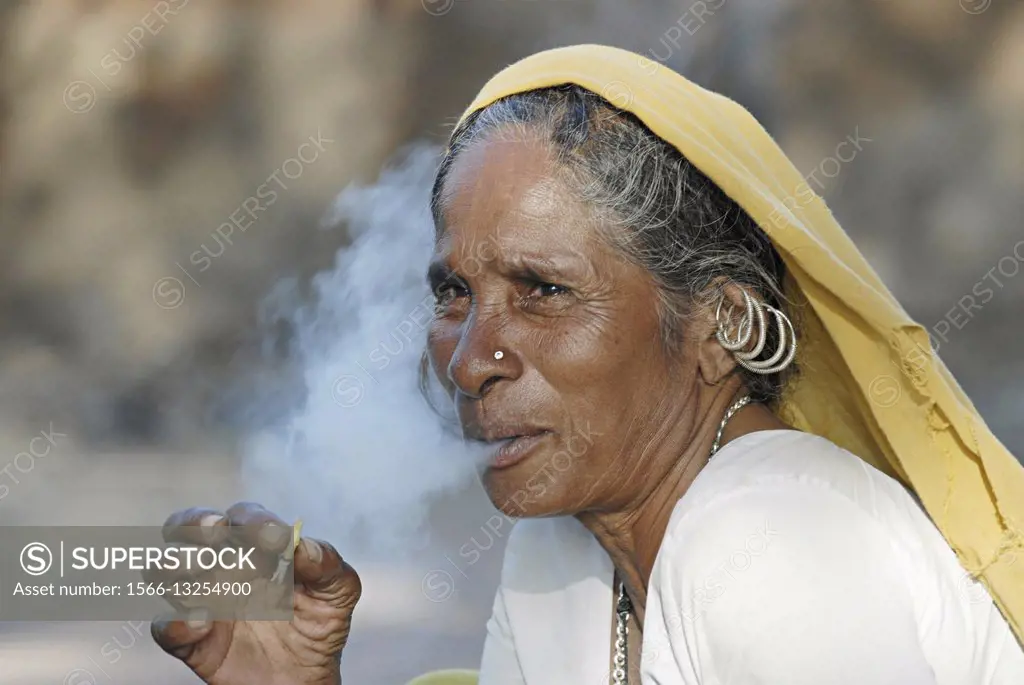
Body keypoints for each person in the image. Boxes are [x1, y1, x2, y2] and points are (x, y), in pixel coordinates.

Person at [151, 45, 1024, 684]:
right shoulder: (556, 557)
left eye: (542, 289)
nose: (468, 361)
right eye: (455, 290)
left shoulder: (776, 541)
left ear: (720, 323)